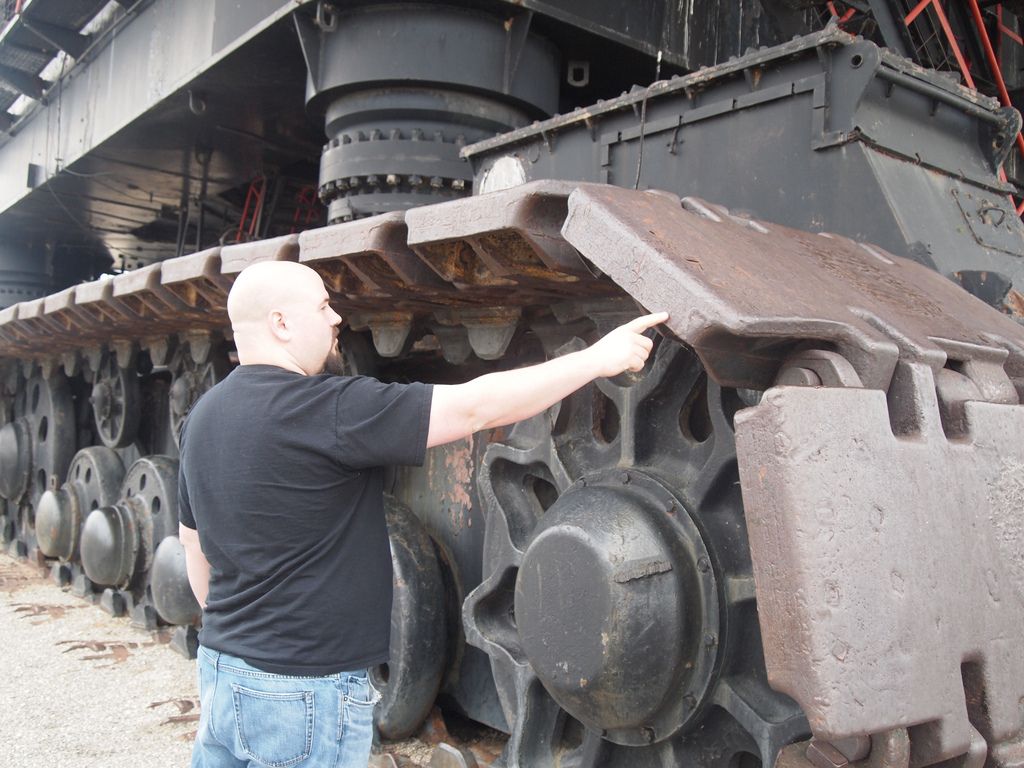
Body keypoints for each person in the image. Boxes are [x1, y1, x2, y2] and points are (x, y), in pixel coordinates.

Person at [178, 260, 668, 768]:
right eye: (324, 306)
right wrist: (597, 359)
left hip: (223, 671)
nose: (336, 319)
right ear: (281, 324)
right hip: (302, 691)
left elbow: (193, 544)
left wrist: (243, 637)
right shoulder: (327, 409)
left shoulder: (202, 417)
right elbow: (475, 409)